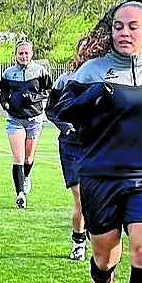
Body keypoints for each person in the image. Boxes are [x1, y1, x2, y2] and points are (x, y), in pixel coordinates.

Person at [56, 0, 142, 283]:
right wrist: (89, 97)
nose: (125, 32)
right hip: (100, 174)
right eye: (119, 26)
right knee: (105, 253)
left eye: (133, 27)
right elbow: (58, 108)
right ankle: (101, 281)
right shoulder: (91, 70)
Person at [45, 37, 95, 261]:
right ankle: (79, 242)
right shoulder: (65, 80)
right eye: (83, 50)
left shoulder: (104, 77)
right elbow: (51, 110)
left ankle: (96, 232)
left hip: (96, 145)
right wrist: (66, 126)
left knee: (97, 198)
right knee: (80, 198)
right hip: (71, 147)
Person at [0, 39, 53, 208]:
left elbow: (48, 91)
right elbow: (4, 92)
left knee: (29, 158)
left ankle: (26, 176)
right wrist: (5, 103)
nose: (23, 56)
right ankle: (20, 194)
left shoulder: (40, 71)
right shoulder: (8, 73)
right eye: (20, 53)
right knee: (19, 157)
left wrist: (34, 98)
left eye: (26, 53)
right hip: (15, 119)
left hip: (34, 119)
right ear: (16, 55)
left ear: (32, 54)